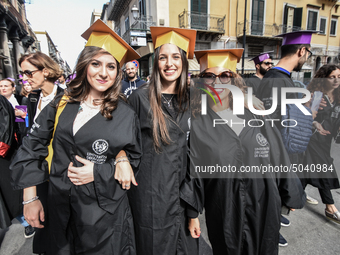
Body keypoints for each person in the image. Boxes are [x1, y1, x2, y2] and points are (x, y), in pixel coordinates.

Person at [11, 19, 142, 255]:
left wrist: (109, 165)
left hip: (102, 215)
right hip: (59, 204)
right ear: (84, 65)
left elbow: (134, 160)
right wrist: (29, 199)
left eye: (111, 66)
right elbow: (32, 147)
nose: (103, 73)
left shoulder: (126, 113)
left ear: (118, 72)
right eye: (96, 64)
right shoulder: (62, 103)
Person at [190, 48, 306, 255]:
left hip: (263, 202)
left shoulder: (255, 115)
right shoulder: (198, 123)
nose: (217, 82)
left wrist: (290, 192)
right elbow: (195, 173)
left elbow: (277, 154)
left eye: (225, 75)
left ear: (234, 80)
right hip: (223, 205)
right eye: (209, 76)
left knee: (264, 247)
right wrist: (192, 213)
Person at [126, 26, 200, 255]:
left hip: (182, 196)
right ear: (156, 62)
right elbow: (124, 141)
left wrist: (193, 212)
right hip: (151, 196)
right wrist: (119, 157)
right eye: (163, 57)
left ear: (184, 62)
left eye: (176, 57)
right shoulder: (140, 98)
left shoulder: (193, 100)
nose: (170, 63)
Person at [256, 31, 316, 245]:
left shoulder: (275, 78)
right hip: (276, 157)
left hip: (275, 155)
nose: (307, 57)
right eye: (308, 53)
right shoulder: (278, 82)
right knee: (271, 205)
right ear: (301, 51)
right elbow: (273, 129)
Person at [301, 64, 340, 223]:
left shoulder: (337, 96)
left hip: (326, 140)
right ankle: (330, 207)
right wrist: (314, 123)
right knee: (324, 166)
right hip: (313, 138)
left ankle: (294, 195)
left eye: (339, 76)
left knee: (305, 170)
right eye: (332, 77)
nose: (337, 80)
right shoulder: (317, 96)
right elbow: (308, 117)